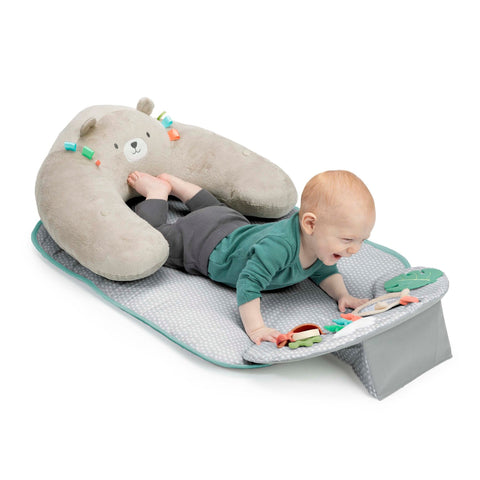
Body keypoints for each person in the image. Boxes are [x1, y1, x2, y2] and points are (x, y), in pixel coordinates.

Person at [126, 170, 376, 345]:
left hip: (232, 224)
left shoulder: (320, 246)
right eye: (347, 240)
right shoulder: (279, 248)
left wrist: (343, 295)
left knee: (216, 209)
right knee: (156, 238)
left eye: (361, 240)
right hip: (206, 245)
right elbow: (249, 283)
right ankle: (158, 192)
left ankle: (177, 184)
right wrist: (256, 328)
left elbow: (324, 270)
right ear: (310, 224)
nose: (355, 249)